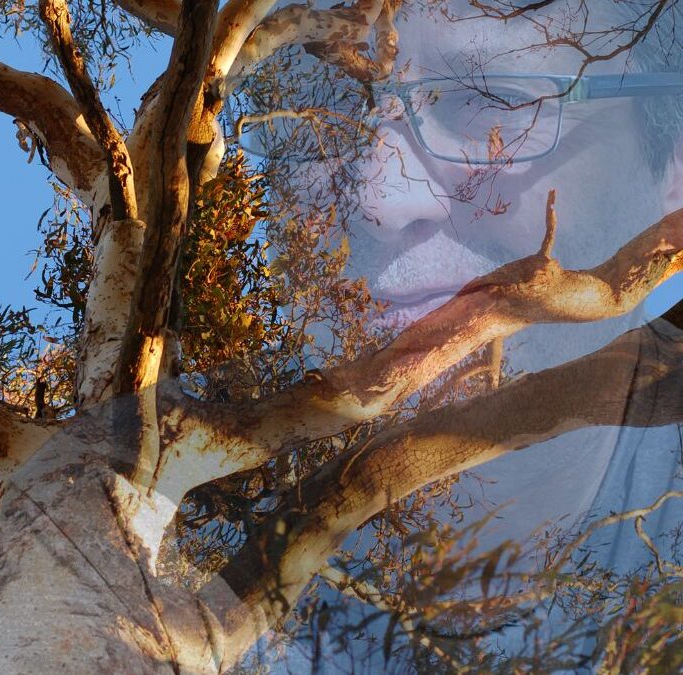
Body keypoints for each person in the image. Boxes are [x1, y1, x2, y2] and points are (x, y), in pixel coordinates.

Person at [237, 0, 682, 668]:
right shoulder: (121, 529)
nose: (379, 195)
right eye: (323, 94)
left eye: (495, 99)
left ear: (675, 171)